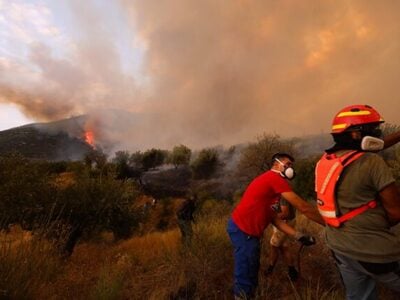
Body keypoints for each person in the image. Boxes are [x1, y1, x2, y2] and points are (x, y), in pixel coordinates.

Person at [315, 104, 400, 299]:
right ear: (355, 135)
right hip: (373, 251)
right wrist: (372, 225)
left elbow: (371, 148)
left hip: (340, 248)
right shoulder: (372, 162)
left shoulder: (325, 162)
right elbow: (396, 213)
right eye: (374, 130)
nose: (378, 134)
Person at [227, 153, 324, 299]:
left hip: (247, 232)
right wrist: (329, 224)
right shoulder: (274, 179)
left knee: (252, 266)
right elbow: (303, 207)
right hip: (243, 230)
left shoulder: (273, 187)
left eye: (291, 165)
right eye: (288, 164)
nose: (290, 168)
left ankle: (247, 294)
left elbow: (274, 218)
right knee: (246, 269)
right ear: (276, 164)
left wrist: (298, 235)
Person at [264, 198, 299, 281]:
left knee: (274, 245)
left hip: (284, 223)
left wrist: (268, 218)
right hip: (283, 223)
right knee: (284, 247)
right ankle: (292, 272)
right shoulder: (277, 194)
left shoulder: (282, 195)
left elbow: (285, 213)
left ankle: (270, 269)